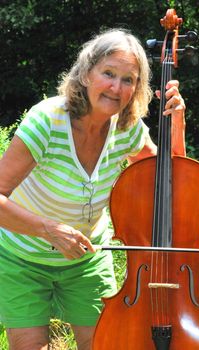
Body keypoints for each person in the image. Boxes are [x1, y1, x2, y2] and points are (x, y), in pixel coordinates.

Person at [0, 28, 186, 350]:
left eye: (128, 80)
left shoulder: (127, 130)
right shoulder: (46, 121)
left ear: (136, 89)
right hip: (21, 258)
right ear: (86, 73)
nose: (116, 87)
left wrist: (178, 123)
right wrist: (49, 230)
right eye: (109, 73)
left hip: (87, 260)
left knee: (104, 344)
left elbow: (174, 181)